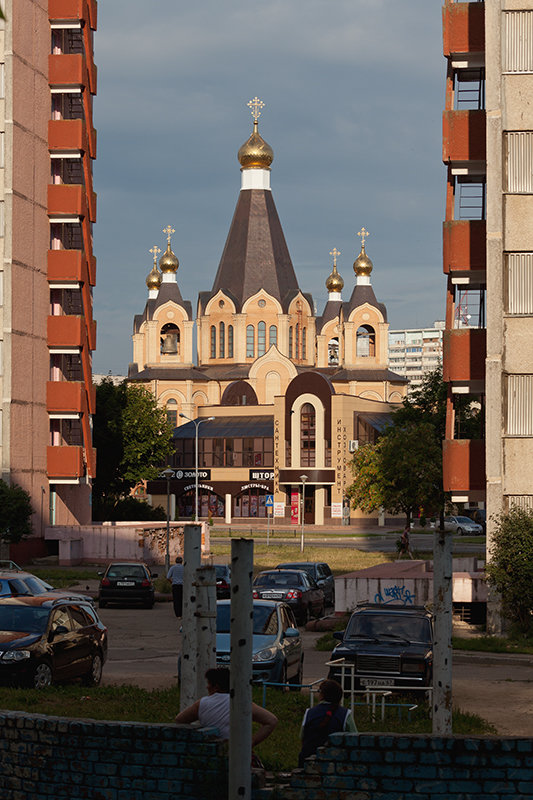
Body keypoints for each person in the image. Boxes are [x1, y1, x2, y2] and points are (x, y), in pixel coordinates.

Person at [175, 667, 278, 748]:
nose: (207, 687)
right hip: (237, 752)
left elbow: (180, 720)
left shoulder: (201, 703)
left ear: (216, 687)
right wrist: (252, 742)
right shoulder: (241, 703)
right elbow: (271, 721)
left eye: (209, 683)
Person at [298, 679, 357, 767]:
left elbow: (302, 737)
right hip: (337, 763)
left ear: (322, 695)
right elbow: (355, 739)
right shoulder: (345, 714)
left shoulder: (309, 713)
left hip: (307, 762)